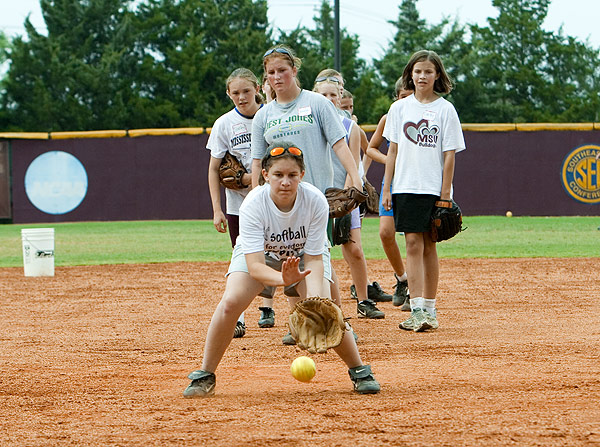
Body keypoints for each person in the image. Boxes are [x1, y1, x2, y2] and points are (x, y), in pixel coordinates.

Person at [183, 143, 381, 397]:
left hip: (304, 258)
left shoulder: (315, 201)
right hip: (262, 256)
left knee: (324, 309)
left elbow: (314, 258)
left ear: (302, 175)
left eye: (292, 175)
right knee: (231, 303)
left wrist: (312, 300)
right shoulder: (254, 204)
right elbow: (254, 266)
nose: (285, 182)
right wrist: (281, 278)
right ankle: (205, 374)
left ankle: (359, 370)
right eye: (278, 175)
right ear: (265, 175)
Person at [250, 45, 372, 338]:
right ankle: (300, 320)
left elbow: (339, 144)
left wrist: (355, 177)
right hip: (279, 202)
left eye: (282, 70)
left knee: (320, 261)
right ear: (266, 79)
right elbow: (257, 161)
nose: (278, 77)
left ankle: (339, 320)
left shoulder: (317, 103)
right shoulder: (263, 116)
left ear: (294, 70)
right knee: (288, 259)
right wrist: (256, 194)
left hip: (315, 200)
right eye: (271, 72)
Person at [382, 50, 466, 332]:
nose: (422, 76)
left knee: (429, 245)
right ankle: (416, 308)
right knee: (412, 244)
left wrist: (445, 194)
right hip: (405, 186)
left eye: (428, 72)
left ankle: (430, 308)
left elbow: (450, 155)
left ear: (437, 76)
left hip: (432, 187)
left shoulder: (445, 109)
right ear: (410, 74)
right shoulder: (399, 109)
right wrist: (387, 188)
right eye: (417, 71)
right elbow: (392, 151)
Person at [206, 68, 275, 336]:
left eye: (246, 91)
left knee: (283, 252)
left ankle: (271, 309)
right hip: (239, 206)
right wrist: (216, 209)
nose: (241, 97)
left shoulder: (271, 115)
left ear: (258, 88)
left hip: (273, 200)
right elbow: (214, 169)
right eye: (235, 92)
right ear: (228, 93)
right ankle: (239, 317)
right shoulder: (224, 123)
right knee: (242, 256)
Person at [313, 78, 385, 319]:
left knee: (353, 249)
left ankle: (364, 300)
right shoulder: (310, 125)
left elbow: (353, 164)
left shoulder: (350, 127)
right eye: (323, 95)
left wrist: (343, 200)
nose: (329, 100)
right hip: (316, 194)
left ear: (340, 96)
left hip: (344, 194)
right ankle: (327, 306)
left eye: (333, 95)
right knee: (317, 251)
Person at [365, 79, 412, 310]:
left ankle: (416, 290)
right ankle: (403, 279)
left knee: (415, 237)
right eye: (404, 96)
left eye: (411, 96)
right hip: (392, 181)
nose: (407, 101)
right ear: (396, 98)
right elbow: (370, 148)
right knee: (385, 232)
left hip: (416, 182)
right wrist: (391, 161)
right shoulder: (389, 117)